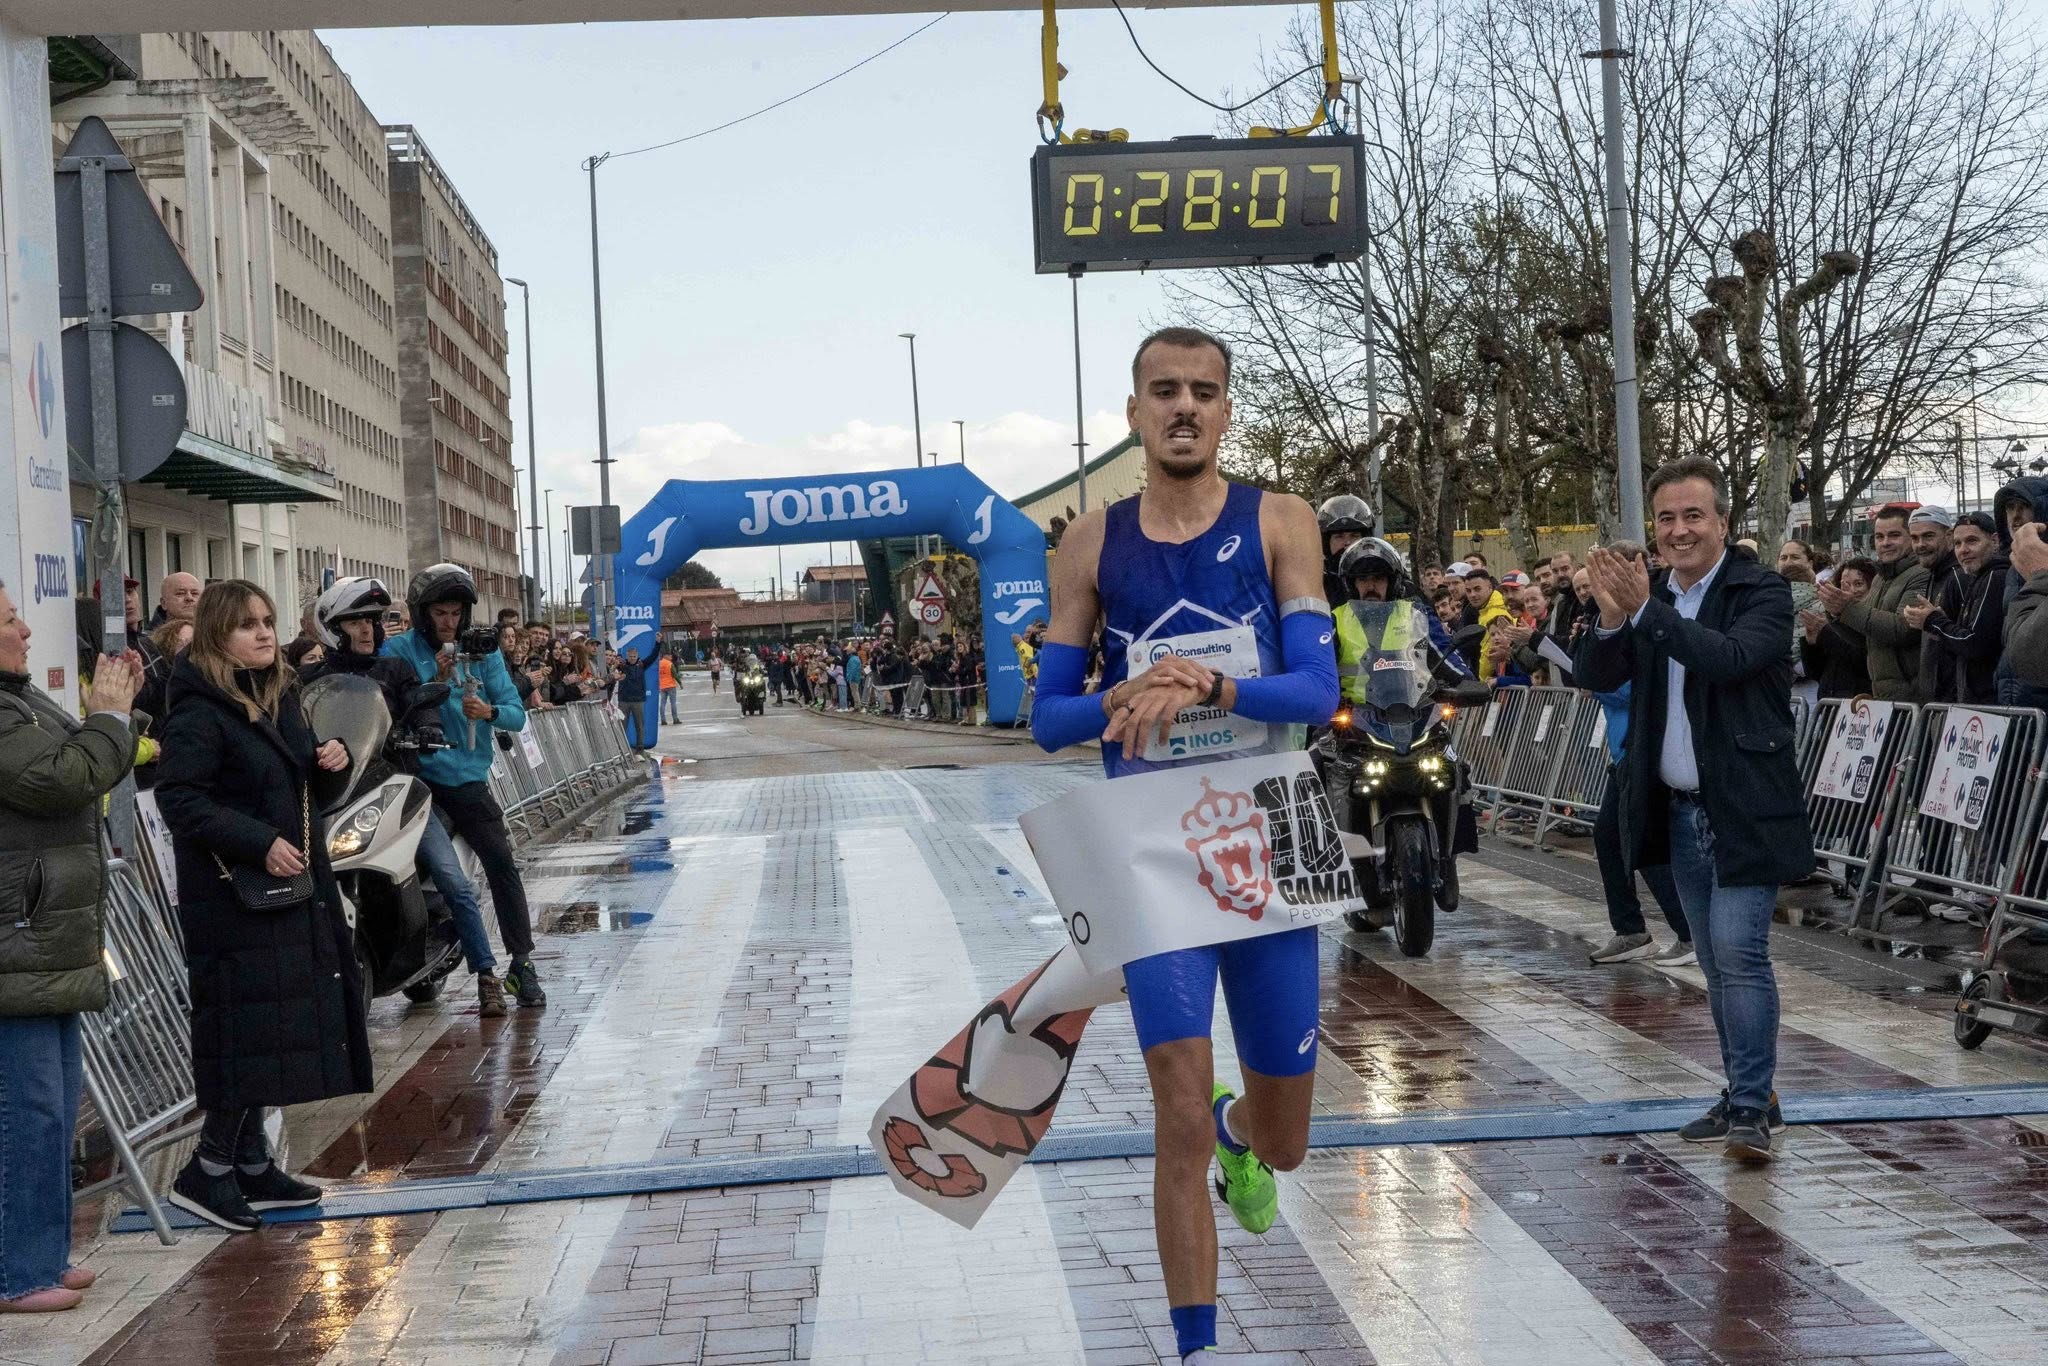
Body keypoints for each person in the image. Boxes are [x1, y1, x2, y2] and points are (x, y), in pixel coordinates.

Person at [1031, 326, 1337, 1366]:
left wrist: (1210, 685)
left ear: (1224, 411)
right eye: (1163, 391)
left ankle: (1244, 1134)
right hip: (1147, 843)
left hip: (1269, 829)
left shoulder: (1282, 521)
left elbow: (1317, 692)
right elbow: (1043, 718)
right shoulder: (1091, 542)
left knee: (1286, 1138)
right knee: (1174, 1111)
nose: (1183, 407)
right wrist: (1118, 692)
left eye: (1202, 392)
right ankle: (1197, 1348)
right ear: (1132, 413)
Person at [1577, 458, 1813, 1163]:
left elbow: (1730, 657)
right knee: (1714, 962)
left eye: (1693, 516)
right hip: (1675, 811)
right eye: (1667, 519)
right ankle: (1749, 1090)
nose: (1679, 531)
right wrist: (1615, 617)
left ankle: (1750, 1108)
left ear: (1723, 523)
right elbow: (1595, 675)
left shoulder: (1762, 591)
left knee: (1741, 954)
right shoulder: (1650, 597)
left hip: (1743, 806)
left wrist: (1647, 612)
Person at [154, 580, 370, 1230]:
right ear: (220, 634)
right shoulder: (200, 709)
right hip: (234, 901)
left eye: (268, 621)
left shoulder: (279, 696)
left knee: (272, 1028)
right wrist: (259, 843)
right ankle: (209, 1170)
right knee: (246, 1030)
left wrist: (332, 761)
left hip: (285, 893)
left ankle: (250, 1164)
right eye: (248, 624)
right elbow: (181, 799)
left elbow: (307, 791)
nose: (264, 633)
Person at [0, 584, 140, 1312]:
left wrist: (112, 713)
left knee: (52, 1107)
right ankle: (16, 1271)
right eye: (7, 620)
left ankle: (44, 1255)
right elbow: (63, 777)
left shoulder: (18, 699)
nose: (24, 628)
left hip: (47, 943)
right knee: (26, 1113)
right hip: (16, 944)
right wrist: (109, 716)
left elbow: (92, 755)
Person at [300, 578, 508, 1018]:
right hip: (334, 794)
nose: (367, 630)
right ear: (332, 628)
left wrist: (427, 727)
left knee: (453, 879)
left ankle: (487, 975)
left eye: (373, 622)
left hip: (394, 788)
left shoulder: (394, 670)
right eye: (356, 622)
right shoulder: (312, 680)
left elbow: (422, 700)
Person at [383, 565, 546, 1009]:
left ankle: (522, 963)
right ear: (421, 612)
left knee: (502, 863)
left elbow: (517, 712)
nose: (449, 622)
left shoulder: (486, 652)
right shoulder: (398, 649)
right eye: (439, 612)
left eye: (456, 612)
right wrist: (435, 680)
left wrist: (488, 712)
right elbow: (385, 705)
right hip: (413, 778)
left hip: (465, 781)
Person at [1581, 545, 1694, 968]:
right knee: (1610, 836)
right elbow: (1588, 668)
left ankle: (1687, 931)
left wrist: (1605, 685)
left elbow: (1643, 686)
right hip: (1622, 748)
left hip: (1642, 746)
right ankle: (1630, 929)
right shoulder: (1606, 617)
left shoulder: (1658, 614)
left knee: (1639, 840)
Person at [1817, 503, 1926, 700]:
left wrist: (1847, 609)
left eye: (1894, 535)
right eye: (1879, 537)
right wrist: (1836, 614)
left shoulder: (1920, 574)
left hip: (1913, 695)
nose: (1885, 543)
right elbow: (1865, 637)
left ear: (1911, 538)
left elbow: (1902, 629)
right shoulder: (1880, 578)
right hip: (1887, 695)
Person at [1908, 510, 2005, 704]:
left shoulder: (1993, 577)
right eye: (1958, 544)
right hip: (1969, 700)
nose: (1963, 550)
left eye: (1972, 541)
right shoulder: (1977, 576)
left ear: (1994, 541)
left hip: (1985, 702)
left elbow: (1973, 642)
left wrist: (1934, 622)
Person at [1800, 558, 1876, 699]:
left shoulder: (1875, 619)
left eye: (1858, 584)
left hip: (1861, 705)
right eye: (1845, 585)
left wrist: (1825, 633)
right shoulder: (1834, 619)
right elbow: (1816, 673)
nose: (1851, 591)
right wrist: (1811, 644)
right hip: (1832, 708)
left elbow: (1863, 661)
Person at [1315, 493, 1375, 608]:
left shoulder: (1383, 575)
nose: (1347, 543)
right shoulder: (1315, 582)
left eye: (1354, 536)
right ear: (1326, 542)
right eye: (1339, 536)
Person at [615, 645, 659, 750]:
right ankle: (622, 749)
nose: (632, 658)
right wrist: (607, 641)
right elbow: (612, 655)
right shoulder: (622, 665)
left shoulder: (642, 665)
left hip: (638, 701)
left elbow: (653, 656)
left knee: (639, 726)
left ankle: (640, 749)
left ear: (637, 656)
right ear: (627, 656)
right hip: (624, 701)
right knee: (622, 726)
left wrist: (658, 643)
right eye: (630, 656)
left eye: (634, 656)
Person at [658, 649, 680, 723]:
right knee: (673, 703)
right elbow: (675, 674)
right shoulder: (669, 664)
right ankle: (675, 719)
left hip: (662, 686)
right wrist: (680, 683)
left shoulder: (659, 664)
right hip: (671, 685)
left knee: (662, 703)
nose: (671, 656)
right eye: (670, 655)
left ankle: (663, 720)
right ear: (665, 656)